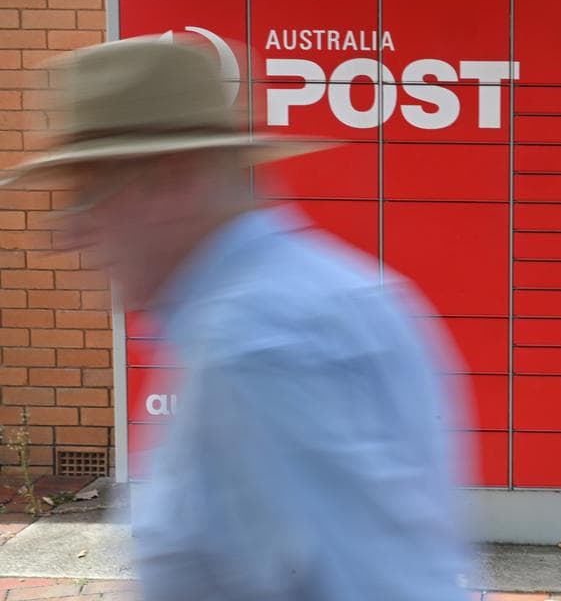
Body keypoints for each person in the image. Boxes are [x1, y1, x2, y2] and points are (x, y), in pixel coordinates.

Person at [2, 36, 474, 600]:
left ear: (171, 180)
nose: (66, 234)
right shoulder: (343, 294)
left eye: (86, 195)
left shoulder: (254, 349)